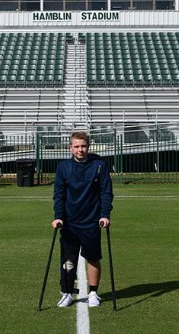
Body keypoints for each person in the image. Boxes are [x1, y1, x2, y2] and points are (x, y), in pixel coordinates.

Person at [52, 131, 113, 308]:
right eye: (77, 146)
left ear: (89, 146)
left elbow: (106, 192)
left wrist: (105, 214)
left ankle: (93, 293)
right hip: (69, 223)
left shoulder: (99, 165)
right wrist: (58, 217)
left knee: (93, 258)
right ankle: (67, 293)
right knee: (68, 260)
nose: (80, 150)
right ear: (70, 148)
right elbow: (59, 195)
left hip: (91, 221)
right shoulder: (63, 167)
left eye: (83, 146)